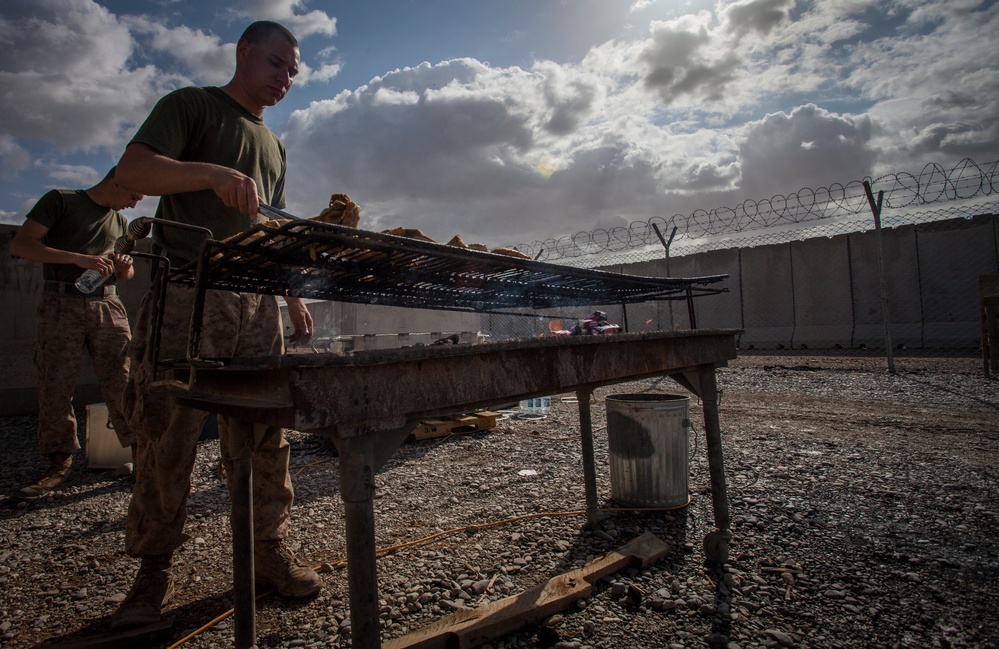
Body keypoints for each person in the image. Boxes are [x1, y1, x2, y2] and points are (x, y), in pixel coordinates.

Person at [109, 21, 319, 630]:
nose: (285, 78)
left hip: (257, 304)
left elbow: (268, 230)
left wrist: (293, 295)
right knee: (168, 430)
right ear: (244, 51)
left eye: (293, 72)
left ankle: (266, 552)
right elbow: (134, 172)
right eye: (276, 63)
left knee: (263, 432)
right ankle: (151, 577)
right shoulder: (191, 106)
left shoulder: (275, 148)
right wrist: (209, 175)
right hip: (189, 295)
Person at [9, 167, 142, 502]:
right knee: (55, 381)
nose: (136, 202)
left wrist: (124, 267)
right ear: (118, 180)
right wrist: (77, 258)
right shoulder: (61, 201)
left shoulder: (121, 223)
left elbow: (126, 274)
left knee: (124, 381)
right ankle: (59, 463)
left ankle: (142, 455)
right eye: (134, 195)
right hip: (61, 302)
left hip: (108, 305)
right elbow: (22, 244)